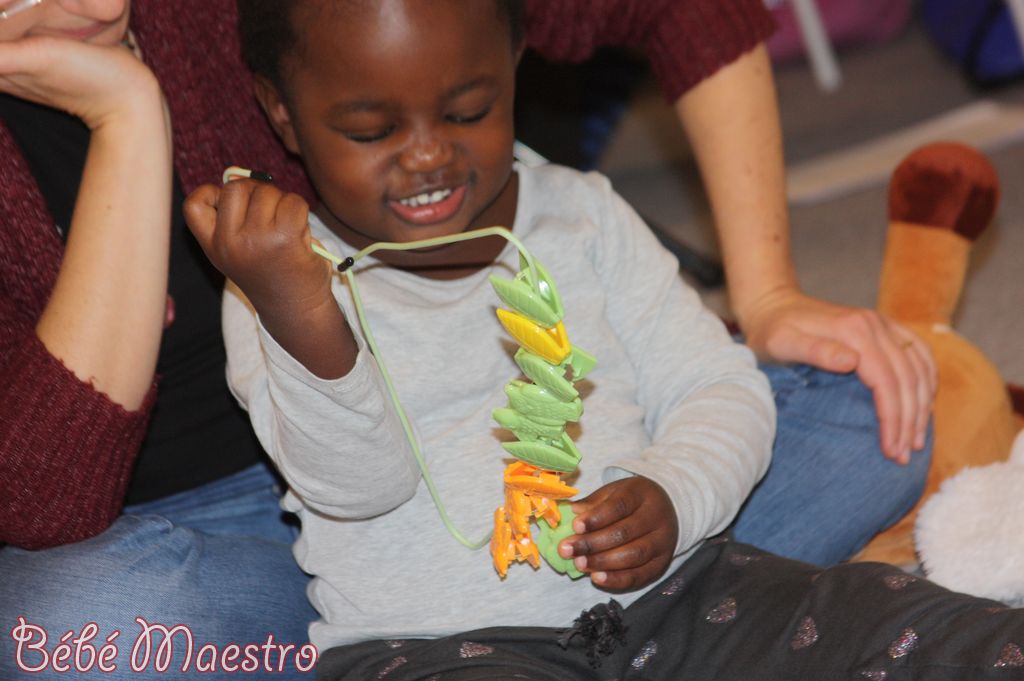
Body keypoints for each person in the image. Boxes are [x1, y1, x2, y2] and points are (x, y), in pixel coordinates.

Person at [0, 0, 923, 677]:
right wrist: (129, 118)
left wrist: (767, 294)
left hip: (539, 487)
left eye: (468, 112)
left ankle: (580, 605)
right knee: (63, 631)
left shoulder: (571, 211)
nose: (102, 7)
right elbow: (42, 503)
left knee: (877, 406)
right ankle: (454, 628)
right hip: (230, 539)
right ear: (281, 111)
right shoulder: (275, 294)